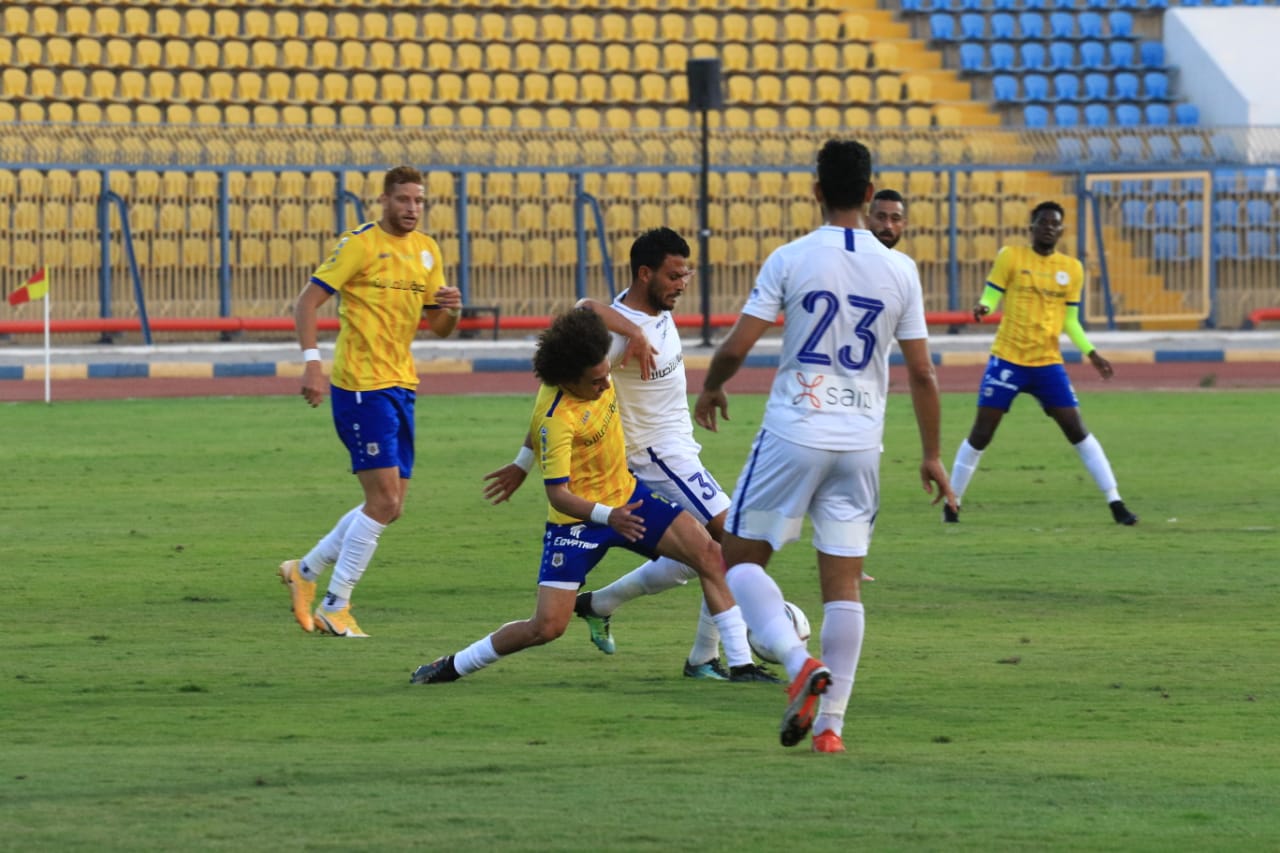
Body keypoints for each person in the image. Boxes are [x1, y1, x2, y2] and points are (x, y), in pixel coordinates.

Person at [693, 139, 956, 752]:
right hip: (861, 443)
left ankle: (797, 662)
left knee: (739, 560)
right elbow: (923, 372)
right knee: (844, 587)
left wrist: (711, 387)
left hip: (795, 430)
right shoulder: (900, 270)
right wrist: (931, 454)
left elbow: (737, 345)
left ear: (816, 191)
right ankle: (831, 728)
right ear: (868, 193)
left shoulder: (791, 258)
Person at [482, 228, 778, 683]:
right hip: (655, 457)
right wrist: (524, 462)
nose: (682, 284)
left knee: (703, 554)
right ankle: (733, 657)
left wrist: (706, 389)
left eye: (686, 275)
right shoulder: (618, 336)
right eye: (674, 276)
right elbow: (561, 381)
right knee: (731, 541)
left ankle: (605, 605)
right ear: (645, 274)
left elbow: (592, 307)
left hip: (679, 450)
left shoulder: (651, 311)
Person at [410, 308, 731, 685]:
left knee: (712, 555)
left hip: (628, 497)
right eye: (596, 381)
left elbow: (588, 305)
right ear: (567, 381)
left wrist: (521, 463)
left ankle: (731, 661)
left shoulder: (592, 364)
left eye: (606, 374)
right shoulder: (557, 418)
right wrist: (608, 517)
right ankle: (451, 665)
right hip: (577, 524)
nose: (606, 384)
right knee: (546, 627)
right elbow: (558, 495)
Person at [278, 165, 463, 638]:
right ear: (383, 200)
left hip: (402, 385)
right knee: (382, 502)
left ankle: (303, 571)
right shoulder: (359, 244)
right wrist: (312, 364)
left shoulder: (427, 250)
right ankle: (335, 605)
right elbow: (306, 302)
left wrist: (452, 309)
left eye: (419, 201)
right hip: (361, 386)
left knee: (390, 506)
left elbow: (438, 326)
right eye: (403, 199)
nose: (412, 208)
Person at [946, 200, 1138, 526]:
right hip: (1008, 359)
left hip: (1047, 363)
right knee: (982, 432)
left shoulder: (1072, 269)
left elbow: (1071, 321)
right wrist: (984, 306)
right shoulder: (1011, 257)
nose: (1049, 227)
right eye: (1043, 222)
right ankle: (953, 504)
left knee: (1076, 429)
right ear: (1031, 227)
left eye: (1055, 223)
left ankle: (1116, 502)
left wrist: (1091, 353)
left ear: (1061, 231)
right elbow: (992, 294)